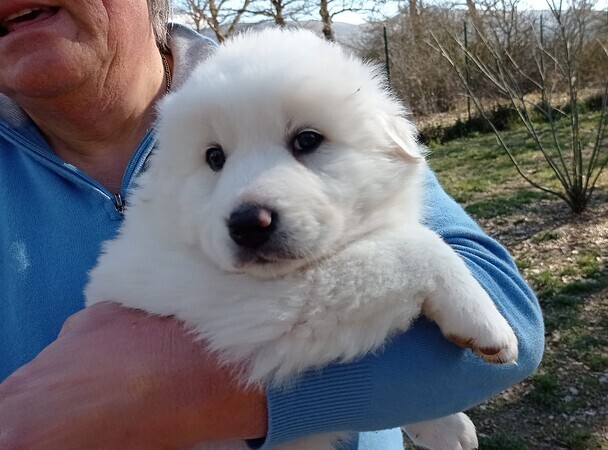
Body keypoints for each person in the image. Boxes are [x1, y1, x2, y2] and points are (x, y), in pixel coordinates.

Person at [0, 1, 544, 448]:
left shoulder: (285, 78)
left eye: (304, 143)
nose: (250, 204)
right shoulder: (173, 197)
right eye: (217, 160)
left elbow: (508, 328)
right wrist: (417, 269)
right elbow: (267, 324)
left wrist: (178, 392)